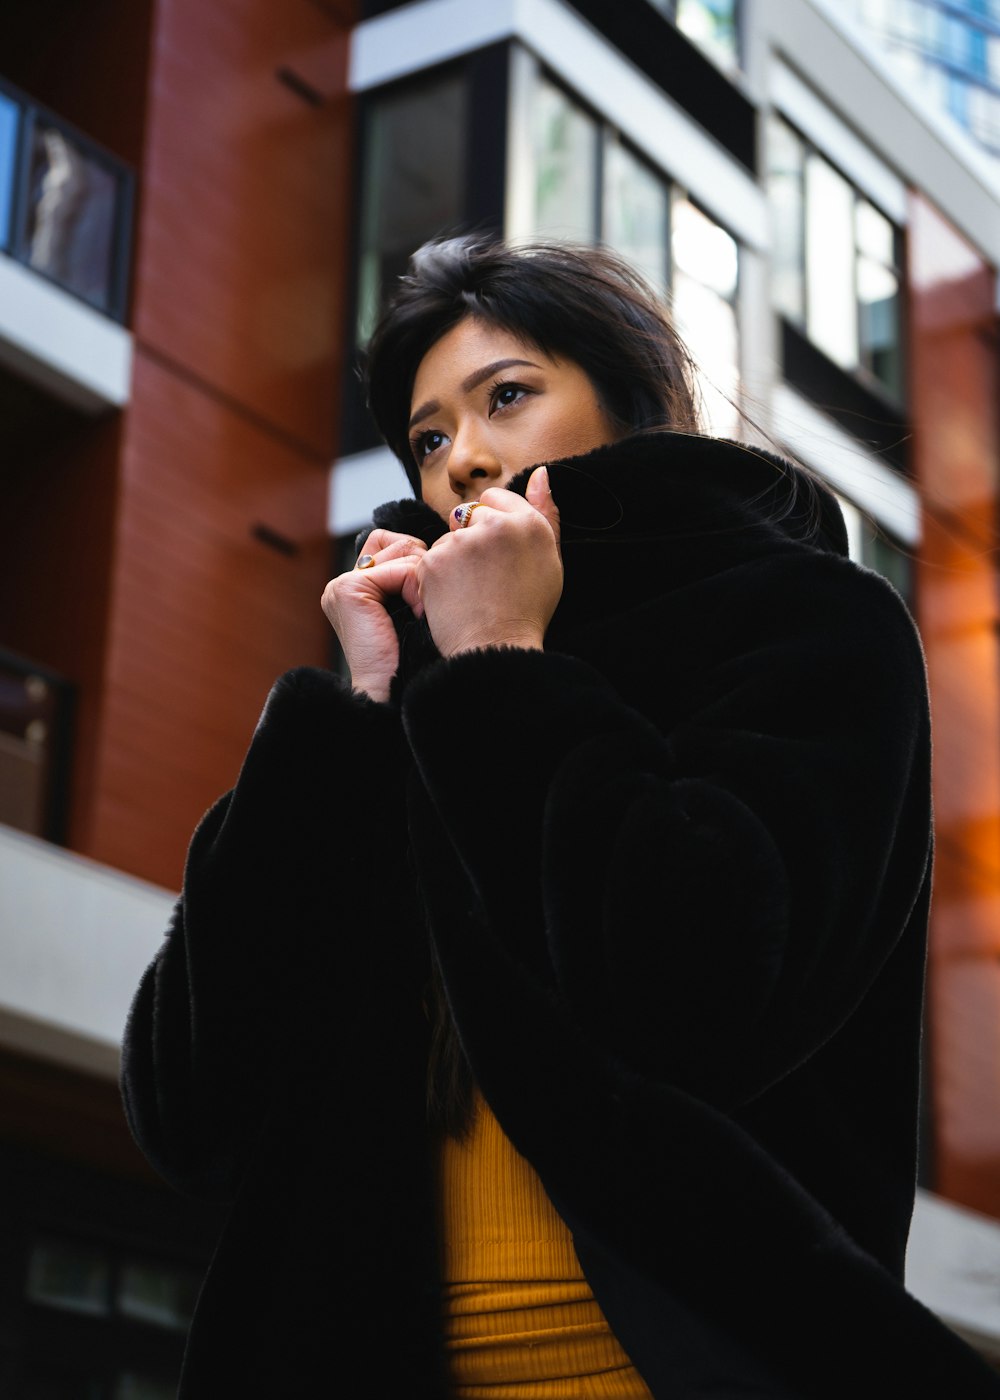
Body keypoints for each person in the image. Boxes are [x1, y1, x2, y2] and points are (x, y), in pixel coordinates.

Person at [121, 238, 1000, 1397]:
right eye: (429, 436)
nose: (465, 460)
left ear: (632, 408)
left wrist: (499, 662)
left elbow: (689, 989)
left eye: (508, 396)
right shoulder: (418, 708)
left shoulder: (811, 624)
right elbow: (193, 1113)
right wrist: (357, 717)